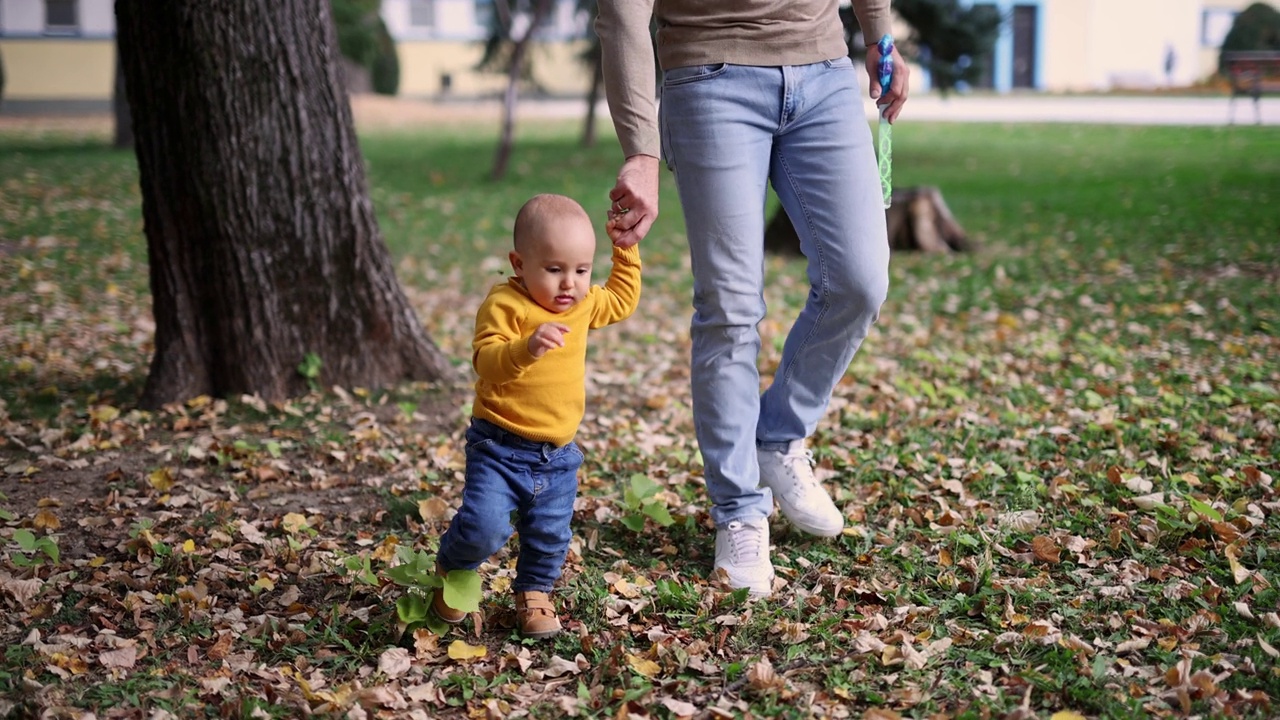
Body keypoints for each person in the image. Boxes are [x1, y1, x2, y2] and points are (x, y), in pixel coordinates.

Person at [595, 0, 909, 597]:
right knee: (730, 308)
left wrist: (879, 36)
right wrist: (641, 148)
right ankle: (739, 509)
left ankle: (778, 437)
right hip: (710, 74)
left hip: (825, 71)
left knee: (860, 280)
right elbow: (621, 12)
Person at [433, 193, 642, 638]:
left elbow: (622, 299)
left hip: (559, 454)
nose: (570, 283)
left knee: (550, 535)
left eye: (581, 271)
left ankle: (534, 593)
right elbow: (486, 361)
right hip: (499, 447)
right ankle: (452, 569)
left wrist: (625, 247)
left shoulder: (583, 305)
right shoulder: (505, 305)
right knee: (484, 527)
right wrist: (524, 349)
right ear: (519, 263)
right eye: (554, 270)